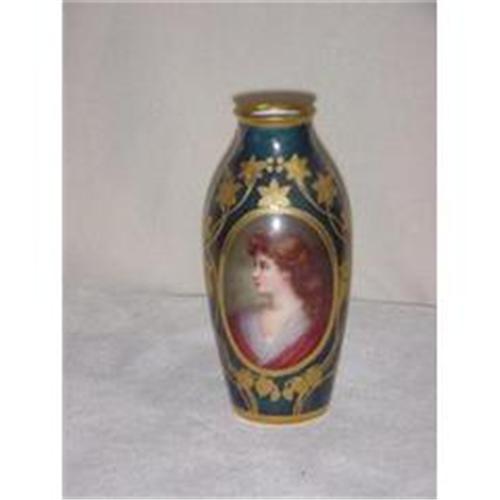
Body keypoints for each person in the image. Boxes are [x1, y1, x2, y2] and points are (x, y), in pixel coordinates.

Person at [229, 230, 331, 370]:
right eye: (255, 265)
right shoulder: (245, 320)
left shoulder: (311, 321)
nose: (255, 274)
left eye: (264, 266)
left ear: (286, 271)